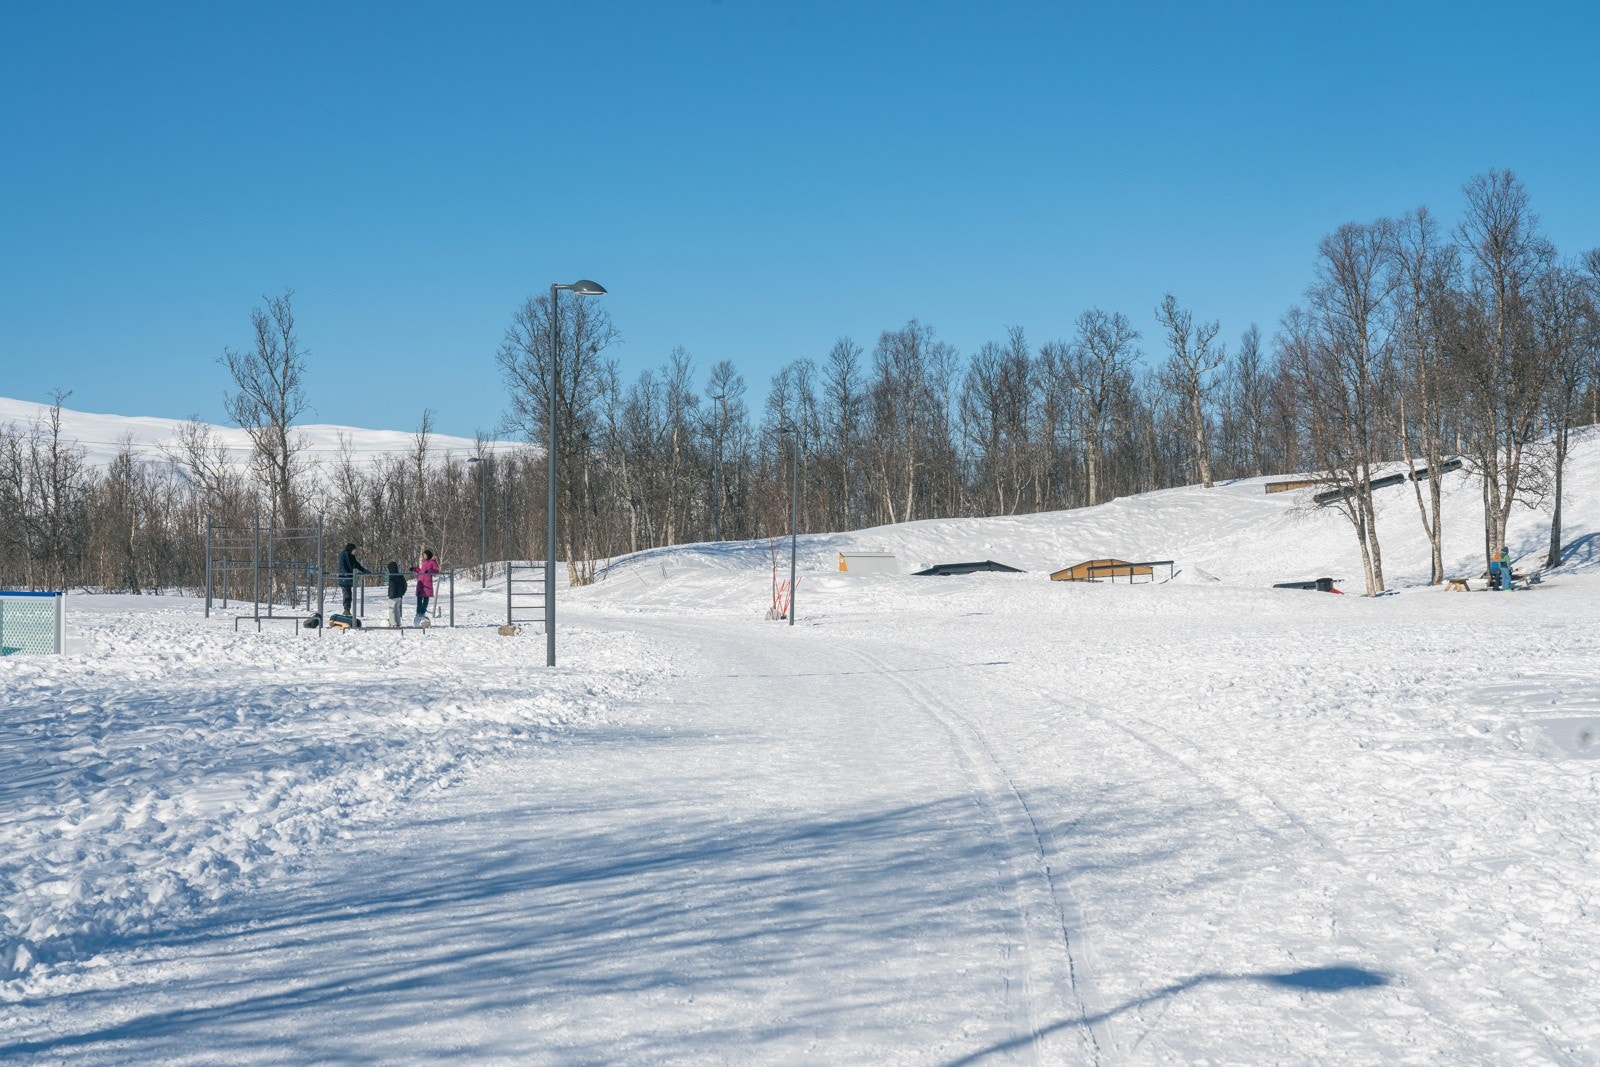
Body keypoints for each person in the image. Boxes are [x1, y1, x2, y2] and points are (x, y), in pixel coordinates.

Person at [337, 542, 370, 615]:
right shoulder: (344, 554)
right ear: (350, 549)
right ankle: (346, 610)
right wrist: (345, 573)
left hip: (350, 578)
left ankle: (347, 610)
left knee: (349, 595)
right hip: (344, 578)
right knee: (347, 595)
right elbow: (342, 565)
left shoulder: (352, 556)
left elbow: (357, 565)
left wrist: (365, 571)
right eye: (354, 550)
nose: (355, 551)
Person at [410, 549, 440, 626]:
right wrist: (414, 569)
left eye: (424, 555)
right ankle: (418, 613)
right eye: (423, 555)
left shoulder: (433, 562)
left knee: (425, 599)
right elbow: (421, 571)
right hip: (421, 583)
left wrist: (429, 571)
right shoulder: (424, 562)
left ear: (428, 555)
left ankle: (422, 613)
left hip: (427, 583)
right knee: (419, 599)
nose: (423, 556)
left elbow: (436, 570)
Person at [384, 561, 406, 627]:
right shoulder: (400, 575)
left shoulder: (392, 576)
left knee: (392, 610)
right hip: (399, 596)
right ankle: (398, 622)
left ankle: (393, 623)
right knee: (397, 609)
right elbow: (404, 585)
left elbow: (392, 587)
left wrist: (391, 595)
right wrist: (402, 593)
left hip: (393, 596)